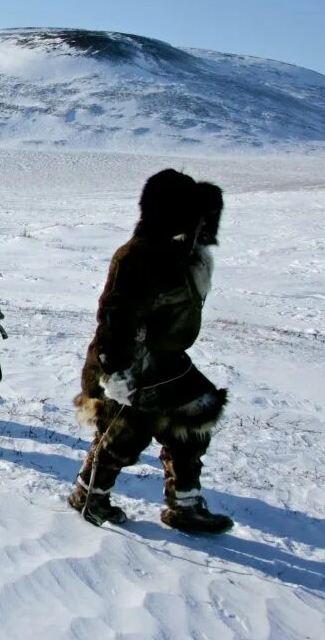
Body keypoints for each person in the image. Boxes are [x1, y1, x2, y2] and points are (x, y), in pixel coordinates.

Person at [68, 169, 233, 533]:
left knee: (192, 424)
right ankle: (89, 495)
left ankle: (184, 505)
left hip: (166, 360)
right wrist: (114, 371)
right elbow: (113, 315)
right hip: (130, 361)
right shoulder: (137, 256)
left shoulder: (182, 254)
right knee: (126, 433)